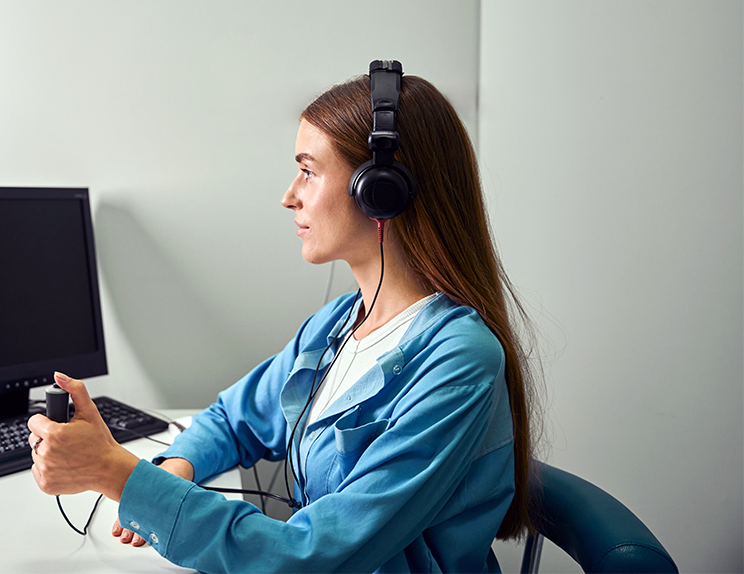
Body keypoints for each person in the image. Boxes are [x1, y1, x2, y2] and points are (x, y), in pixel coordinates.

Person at [28, 65, 536, 573]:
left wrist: (119, 475)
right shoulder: (339, 325)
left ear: (380, 189)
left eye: (309, 171)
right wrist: (176, 469)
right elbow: (233, 417)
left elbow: (314, 556)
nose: (289, 195)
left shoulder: (459, 361)